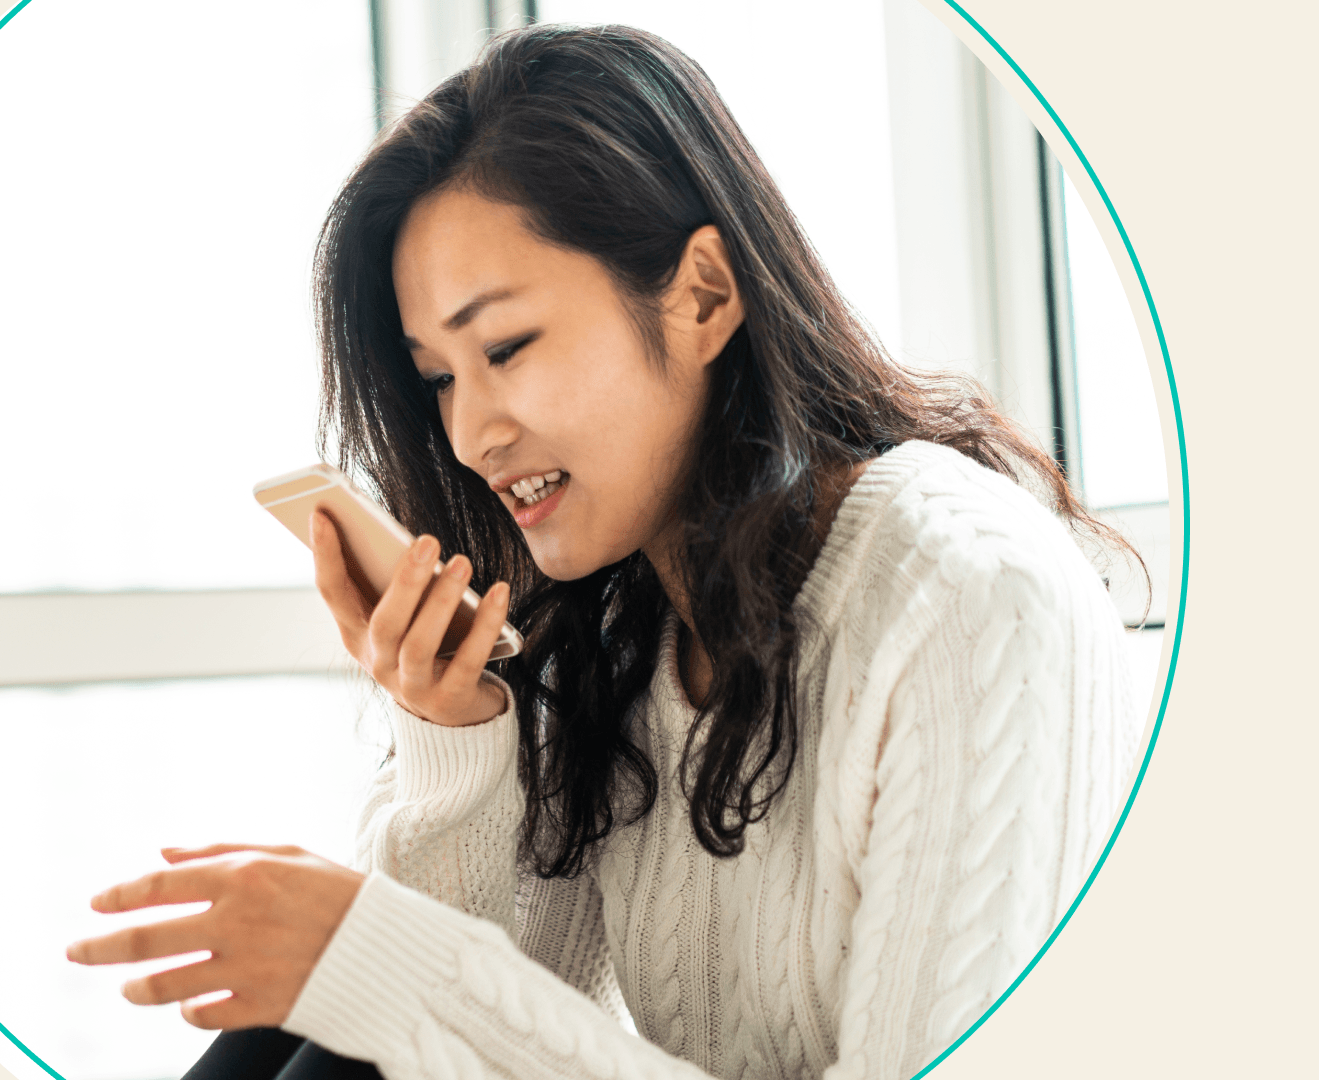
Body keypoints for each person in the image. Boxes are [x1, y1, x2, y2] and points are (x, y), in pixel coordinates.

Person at [67, 22, 1144, 1080]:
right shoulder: (627, 621)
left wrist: (376, 960)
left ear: (704, 296)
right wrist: (459, 732)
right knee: (306, 1022)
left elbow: (464, 1016)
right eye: (440, 376)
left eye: (505, 347)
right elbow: (486, 1028)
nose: (468, 433)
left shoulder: (971, 594)